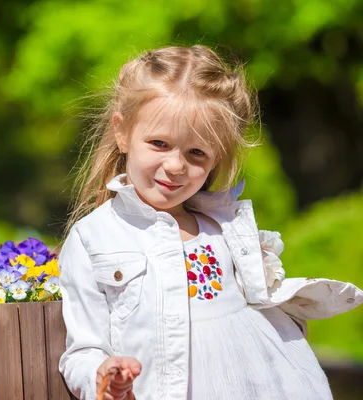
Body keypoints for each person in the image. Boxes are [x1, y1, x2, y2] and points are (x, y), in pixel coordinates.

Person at [58, 45, 363, 400]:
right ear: (123, 133)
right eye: (159, 143)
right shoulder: (94, 238)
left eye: (196, 153)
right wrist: (102, 376)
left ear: (217, 155)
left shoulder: (226, 230)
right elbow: (82, 348)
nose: (175, 166)